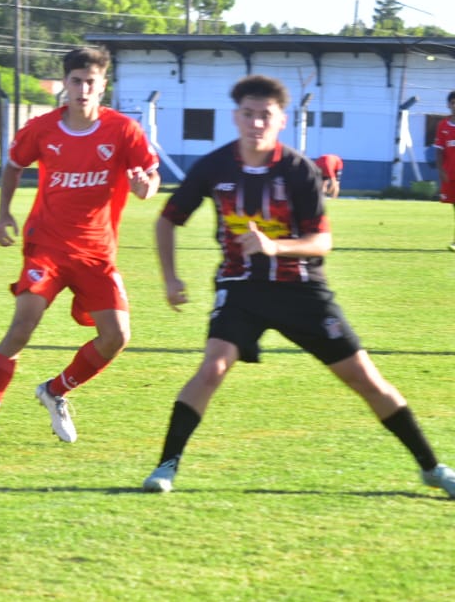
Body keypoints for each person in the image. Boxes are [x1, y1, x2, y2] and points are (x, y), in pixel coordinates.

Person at [144, 74, 453, 496]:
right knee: (212, 367)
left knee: (364, 377)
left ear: (281, 120)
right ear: (236, 117)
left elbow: (322, 241)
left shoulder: (297, 171)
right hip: (241, 289)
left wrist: (274, 246)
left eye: (265, 116)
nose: (256, 123)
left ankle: (432, 467)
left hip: (301, 289)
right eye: (248, 115)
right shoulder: (214, 166)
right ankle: (165, 467)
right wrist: (171, 278)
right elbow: (167, 220)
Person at [0, 46, 160, 449]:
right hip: (46, 247)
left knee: (117, 336)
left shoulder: (123, 131)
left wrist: (145, 187)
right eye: (76, 81)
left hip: (96, 253)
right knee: (23, 325)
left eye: (91, 82)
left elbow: (150, 177)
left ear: (103, 86)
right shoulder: (43, 128)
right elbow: (14, 165)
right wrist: (3, 214)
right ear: (64, 85)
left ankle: (55, 390)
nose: (83, 89)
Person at [432, 90, 455, 252]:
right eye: (453, 102)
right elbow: (439, 150)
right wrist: (441, 170)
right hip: (451, 174)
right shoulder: (443, 126)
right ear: (448, 105)